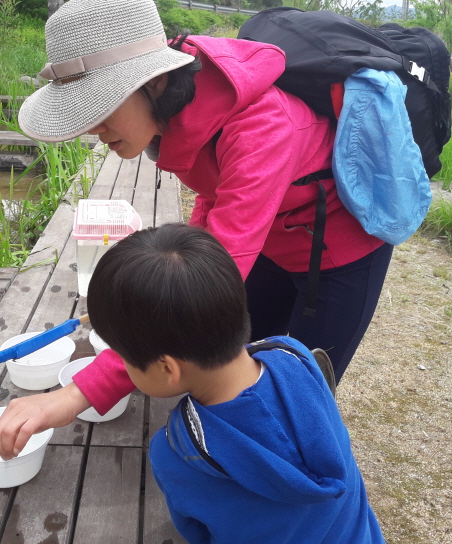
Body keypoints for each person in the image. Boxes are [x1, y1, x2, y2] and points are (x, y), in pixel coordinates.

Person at [0, 0, 392, 458]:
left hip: (338, 251)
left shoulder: (260, 128)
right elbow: (210, 211)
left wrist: (78, 393)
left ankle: (302, 489)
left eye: (100, 107)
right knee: (231, 359)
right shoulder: (185, 116)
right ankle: (236, 459)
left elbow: (196, 296)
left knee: (301, 393)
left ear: (156, 82)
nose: (93, 130)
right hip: (269, 241)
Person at [91, 223, 385, 543]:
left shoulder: (177, 452)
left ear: (167, 368)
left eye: (123, 356)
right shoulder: (295, 356)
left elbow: (197, 531)